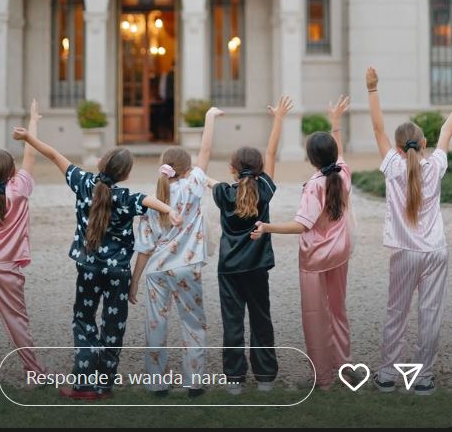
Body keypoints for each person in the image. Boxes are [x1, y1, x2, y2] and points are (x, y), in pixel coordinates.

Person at [12, 125, 181, 401]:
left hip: (88, 268)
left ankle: (84, 384)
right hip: (118, 272)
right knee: (114, 326)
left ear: (102, 164)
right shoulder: (125, 198)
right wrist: (169, 209)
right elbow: (147, 200)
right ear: (126, 174)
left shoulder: (83, 183)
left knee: (84, 321)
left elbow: (53, 155)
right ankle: (104, 385)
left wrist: (28, 136)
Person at [252, 96, 354, 391]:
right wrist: (335, 122)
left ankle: (323, 378)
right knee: (338, 310)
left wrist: (267, 226)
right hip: (340, 252)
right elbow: (340, 153)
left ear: (310, 159)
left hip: (315, 258)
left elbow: (302, 225)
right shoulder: (343, 173)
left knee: (315, 316)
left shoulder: (315, 186)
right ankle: (345, 368)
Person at [365, 66, 450, 396]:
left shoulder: (393, 166)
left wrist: (372, 89)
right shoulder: (437, 165)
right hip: (435, 252)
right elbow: (448, 128)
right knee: (430, 315)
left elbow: (377, 128)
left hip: (404, 253)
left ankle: (387, 376)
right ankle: (423, 378)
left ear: (399, 149)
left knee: (396, 313)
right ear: (424, 143)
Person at [130, 106, 223, 397]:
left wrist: (134, 282)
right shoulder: (194, 184)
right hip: (187, 267)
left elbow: (144, 248)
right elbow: (205, 150)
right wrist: (209, 117)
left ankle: (156, 383)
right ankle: (194, 382)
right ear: (187, 169)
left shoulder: (153, 200)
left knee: (155, 325)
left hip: (156, 270)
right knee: (193, 322)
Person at [212, 95, 293, 395]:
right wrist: (278, 119)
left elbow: (211, 181)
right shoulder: (264, 190)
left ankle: (234, 380)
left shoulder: (223, 193)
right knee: (261, 319)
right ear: (259, 170)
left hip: (229, 269)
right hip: (257, 267)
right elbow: (271, 152)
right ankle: (265, 377)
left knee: (232, 323)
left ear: (232, 168)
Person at [0, 100, 45, 386]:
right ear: (12, 171)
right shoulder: (19, 189)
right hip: (5, 266)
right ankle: (35, 373)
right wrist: (32, 122)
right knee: (16, 319)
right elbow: (30, 153)